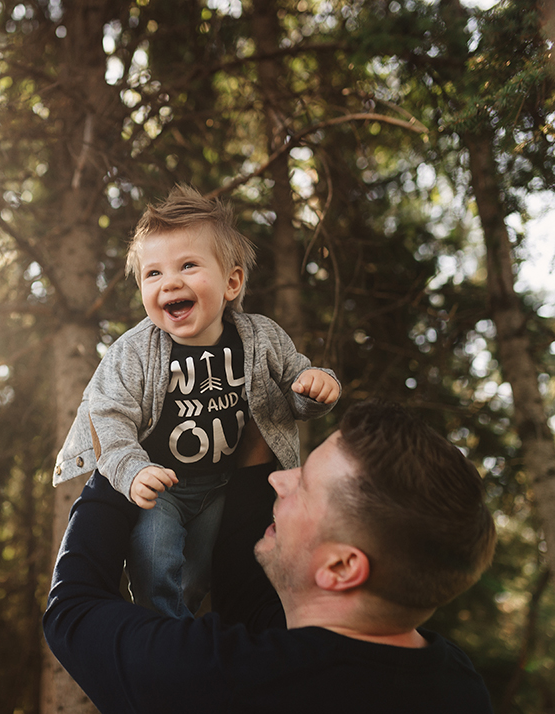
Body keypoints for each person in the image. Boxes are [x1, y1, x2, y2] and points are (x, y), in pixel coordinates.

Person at [44, 400, 497, 714]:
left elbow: (74, 612)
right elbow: (250, 604)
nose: (282, 481)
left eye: (303, 486)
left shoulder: (224, 682)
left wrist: (120, 461)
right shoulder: (455, 683)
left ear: (341, 567)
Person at [52, 185, 339, 618]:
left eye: (188, 266)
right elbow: (107, 415)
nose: (170, 282)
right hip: (161, 484)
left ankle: (188, 632)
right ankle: (160, 637)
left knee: (198, 573)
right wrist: (133, 471)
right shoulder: (134, 352)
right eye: (153, 274)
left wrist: (316, 386)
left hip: (221, 485)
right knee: (154, 559)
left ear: (231, 281)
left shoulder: (261, 337)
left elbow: (296, 389)